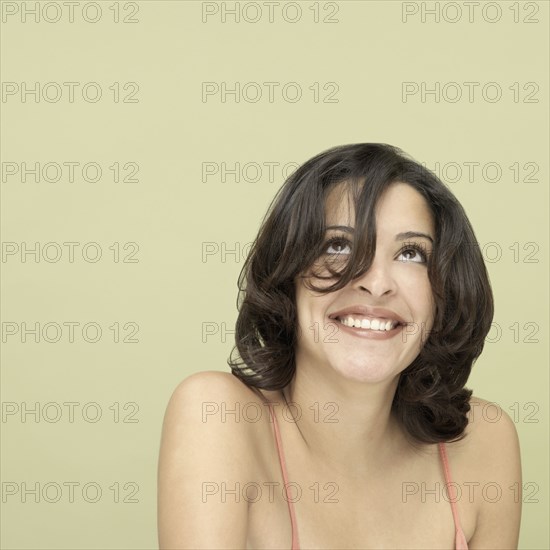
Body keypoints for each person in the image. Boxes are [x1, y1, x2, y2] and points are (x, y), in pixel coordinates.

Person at [157, 143, 522, 549]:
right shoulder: (218, 416)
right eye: (338, 245)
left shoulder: (483, 441)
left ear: (443, 295)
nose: (376, 281)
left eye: (410, 253)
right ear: (287, 274)